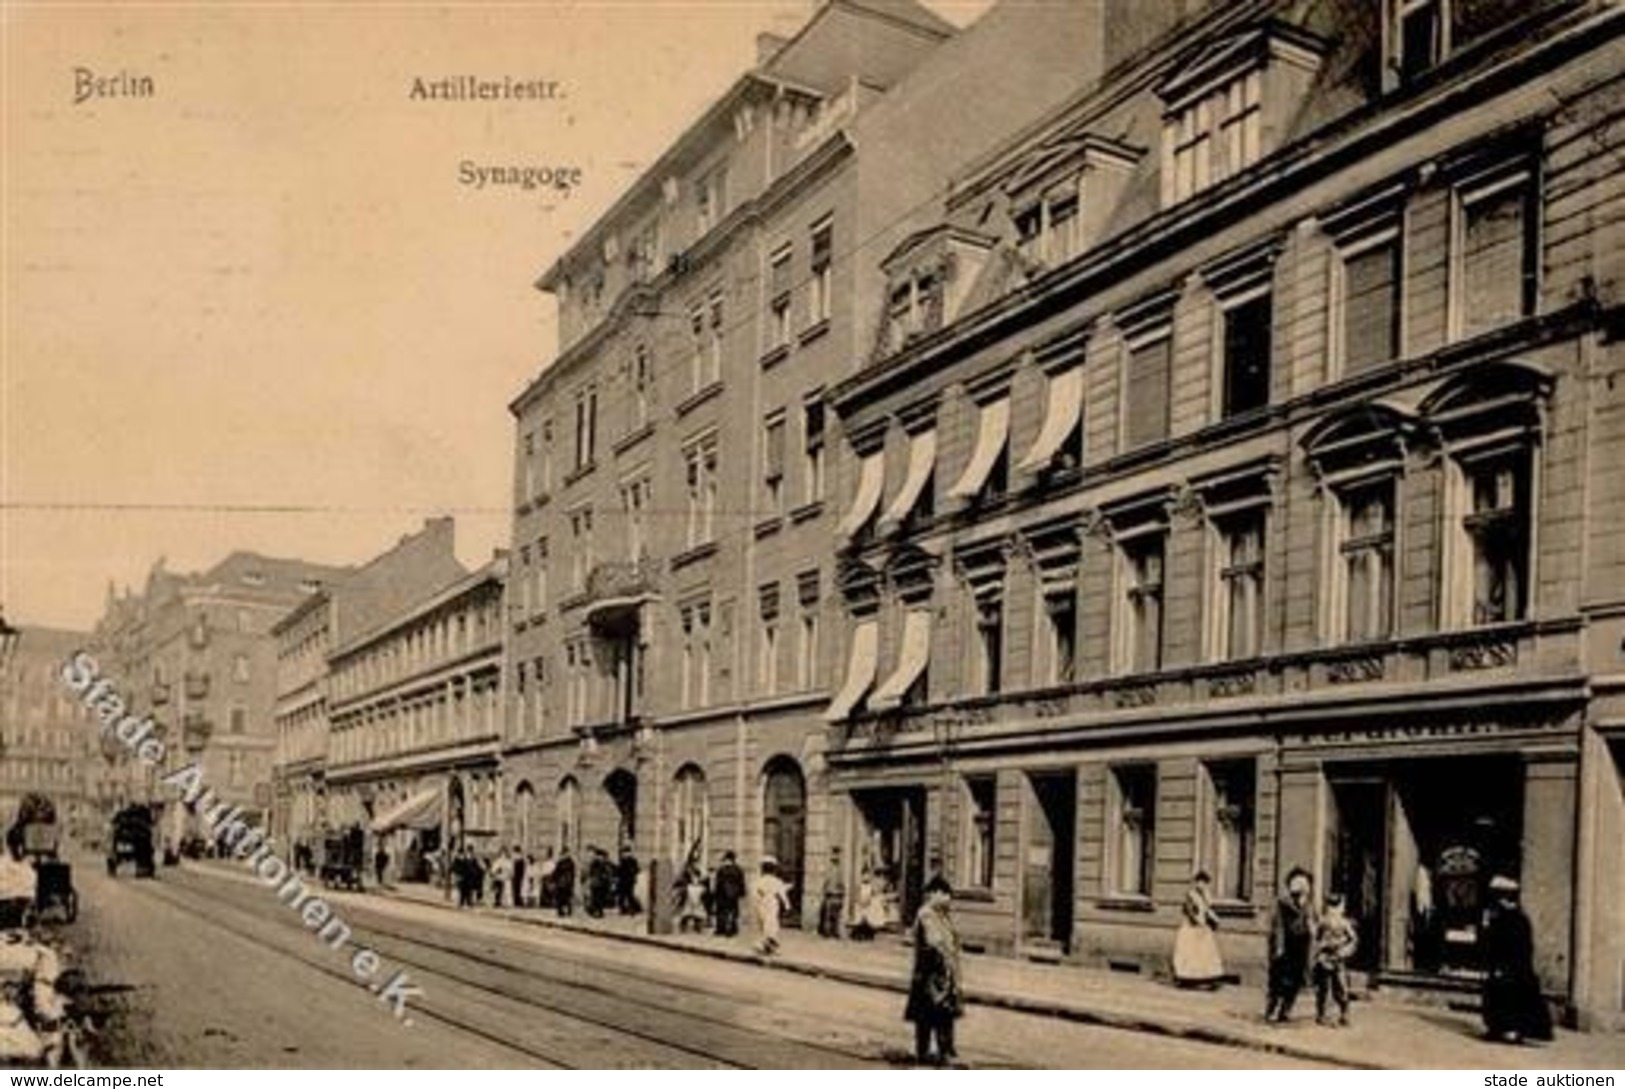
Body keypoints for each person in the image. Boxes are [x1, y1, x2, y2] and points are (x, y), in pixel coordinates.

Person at [1480, 876, 1553, 1044]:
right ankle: (1499, 1028)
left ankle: (1510, 1029)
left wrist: (1501, 964)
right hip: (1513, 967)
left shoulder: (1510, 919)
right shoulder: (1515, 918)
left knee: (1509, 997)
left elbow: (1506, 945)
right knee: (1502, 995)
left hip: (1510, 967)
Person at [905, 875, 963, 1067]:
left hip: (942, 973)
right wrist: (946, 959)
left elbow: (952, 942)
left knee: (939, 1013)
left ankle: (943, 1051)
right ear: (936, 894)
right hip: (930, 973)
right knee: (930, 1014)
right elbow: (934, 942)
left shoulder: (942, 915)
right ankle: (928, 1053)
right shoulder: (926, 914)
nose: (949, 899)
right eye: (946, 895)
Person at [1265, 867, 1316, 1023]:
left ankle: (1286, 1010)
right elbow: (1278, 926)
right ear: (1291, 884)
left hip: (1302, 946)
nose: (1301, 886)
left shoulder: (1309, 903)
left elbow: (1313, 921)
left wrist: (1313, 930)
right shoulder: (1282, 902)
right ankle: (1271, 1009)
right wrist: (1279, 948)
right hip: (1285, 945)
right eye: (1297, 881)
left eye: (1304, 882)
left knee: (1295, 981)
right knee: (1278, 981)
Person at [1172, 870, 1225, 988]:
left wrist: (1214, 919)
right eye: (1200, 882)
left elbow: (1207, 910)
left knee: (1206, 953)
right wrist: (1196, 920)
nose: (1202, 885)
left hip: (1202, 927)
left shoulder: (1205, 895)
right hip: (1191, 927)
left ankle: (1207, 979)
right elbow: (1189, 910)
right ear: (1196, 882)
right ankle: (1187, 979)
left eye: (1205, 883)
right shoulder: (1190, 895)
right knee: (1190, 953)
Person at [1313, 893, 1358, 1026]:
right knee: (1323, 988)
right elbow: (1317, 937)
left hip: (1338, 958)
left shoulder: (1344, 923)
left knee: (1341, 987)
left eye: (1335, 906)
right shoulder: (1323, 921)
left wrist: (1345, 951)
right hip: (1325, 958)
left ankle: (1344, 1014)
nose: (1332, 910)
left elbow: (1353, 940)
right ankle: (1322, 1015)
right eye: (1330, 906)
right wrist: (1320, 948)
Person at [752, 857, 792, 955]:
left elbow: (754, 894)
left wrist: (756, 904)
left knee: (764, 923)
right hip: (772, 903)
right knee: (771, 923)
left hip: (762, 902)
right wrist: (787, 906)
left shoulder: (759, 881)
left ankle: (767, 944)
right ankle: (767, 944)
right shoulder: (776, 881)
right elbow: (782, 894)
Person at [712, 851, 745, 937]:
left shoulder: (722, 870)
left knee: (721, 911)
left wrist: (715, 894)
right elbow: (741, 882)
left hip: (722, 894)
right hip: (734, 894)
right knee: (733, 911)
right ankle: (732, 929)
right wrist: (741, 893)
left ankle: (721, 929)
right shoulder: (738, 869)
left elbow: (718, 883)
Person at [817, 853, 845, 939]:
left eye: (836, 861)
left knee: (836, 915)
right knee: (828, 915)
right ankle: (828, 932)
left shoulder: (840, 873)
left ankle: (834, 931)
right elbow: (826, 884)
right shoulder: (829, 872)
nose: (834, 863)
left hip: (836, 896)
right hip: (830, 895)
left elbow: (842, 885)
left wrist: (841, 894)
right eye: (833, 861)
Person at [676, 863, 709, 934]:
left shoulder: (701, 887)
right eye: (694, 877)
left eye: (696, 877)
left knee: (697, 916)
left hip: (696, 905)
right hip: (690, 904)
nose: (695, 879)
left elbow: (704, 897)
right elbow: (683, 896)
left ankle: (697, 928)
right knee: (686, 915)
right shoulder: (688, 887)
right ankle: (684, 928)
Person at [616, 846, 642, 915]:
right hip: (622, 880)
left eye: (627, 852)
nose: (625, 854)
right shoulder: (622, 861)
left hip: (629, 880)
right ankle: (623, 909)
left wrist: (632, 873)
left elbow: (637, 870)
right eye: (624, 853)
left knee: (629, 895)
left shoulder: (633, 861)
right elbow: (619, 870)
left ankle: (635, 908)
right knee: (622, 896)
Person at [552, 847, 576, 917]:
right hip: (561, 883)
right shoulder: (561, 862)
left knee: (567, 898)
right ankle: (561, 911)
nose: (564, 855)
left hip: (566, 883)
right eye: (563, 854)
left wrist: (571, 882)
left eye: (566, 853)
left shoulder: (570, 862)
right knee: (560, 898)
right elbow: (556, 872)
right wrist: (553, 880)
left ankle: (568, 911)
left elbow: (572, 874)